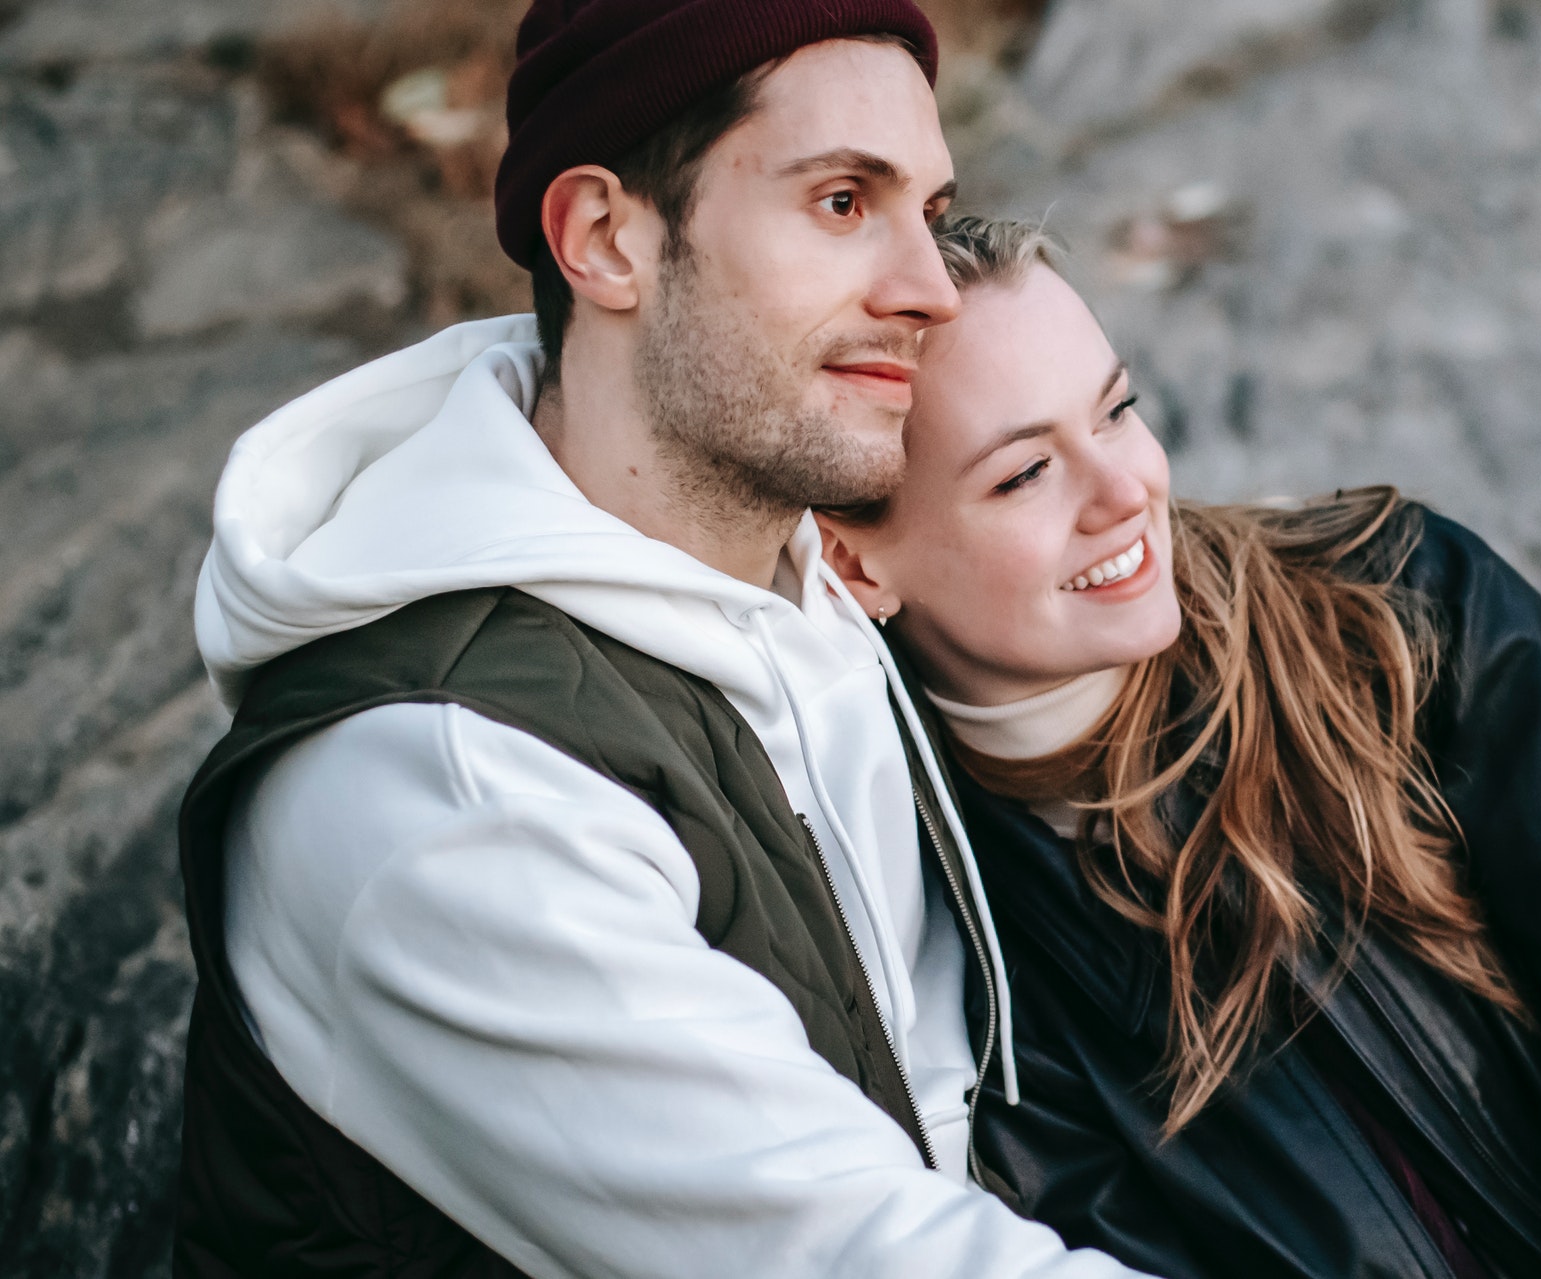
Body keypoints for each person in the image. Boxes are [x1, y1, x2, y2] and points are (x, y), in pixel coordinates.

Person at [172, 6, 1155, 1278]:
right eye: (846, 203)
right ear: (605, 239)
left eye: (929, 206)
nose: (927, 291)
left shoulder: (785, 548)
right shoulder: (456, 798)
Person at [815, 215, 1541, 1279]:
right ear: (857, 565)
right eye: (1024, 474)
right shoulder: (947, 948)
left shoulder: (1399, 611)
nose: (1126, 491)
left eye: (1116, 412)